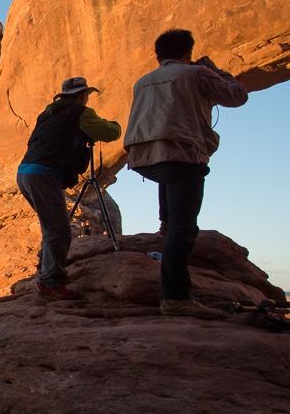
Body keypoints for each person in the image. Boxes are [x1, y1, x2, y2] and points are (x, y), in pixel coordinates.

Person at [124, 28, 248, 318]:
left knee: (170, 179)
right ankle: (175, 297)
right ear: (187, 52)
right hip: (181, 153)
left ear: (159, 55)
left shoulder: (143, 81)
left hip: (143, 157)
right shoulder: (195, 74)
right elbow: (237, 97)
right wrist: (216, 71)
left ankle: (165, 224)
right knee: (185, 228)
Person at [17, 76, 122, 300]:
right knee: (59, 229)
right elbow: (111, 133)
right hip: (44, 175)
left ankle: (45, 267)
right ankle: (50, 282)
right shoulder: (80, 113)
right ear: (83, 95)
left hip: (26, 173)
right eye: (86, 95)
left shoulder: (46, 115)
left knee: (52, 225)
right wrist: (116, 124)